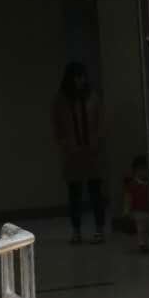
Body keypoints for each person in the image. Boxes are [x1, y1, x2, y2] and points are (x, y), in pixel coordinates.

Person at [51, 61, 105, 245]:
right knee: (74, 195)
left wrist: (97, 142)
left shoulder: (92, 97)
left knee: (95, 192)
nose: (80, 81)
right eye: (76, 77)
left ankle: (99, 230)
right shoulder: (61, 101)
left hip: (92, 152)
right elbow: (57, 126)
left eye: (82, 77)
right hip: (72, 154)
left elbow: (100, 122)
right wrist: (65, 145)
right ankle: (76, 231)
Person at [123, 155, 149, 253]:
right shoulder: (132, 185)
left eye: (144, 170)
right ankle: (142, 244)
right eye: (140, 170)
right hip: (138, 211)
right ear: (135, 171)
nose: (142, 172)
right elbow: (128, 198)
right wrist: (126, 211)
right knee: (141, 228)